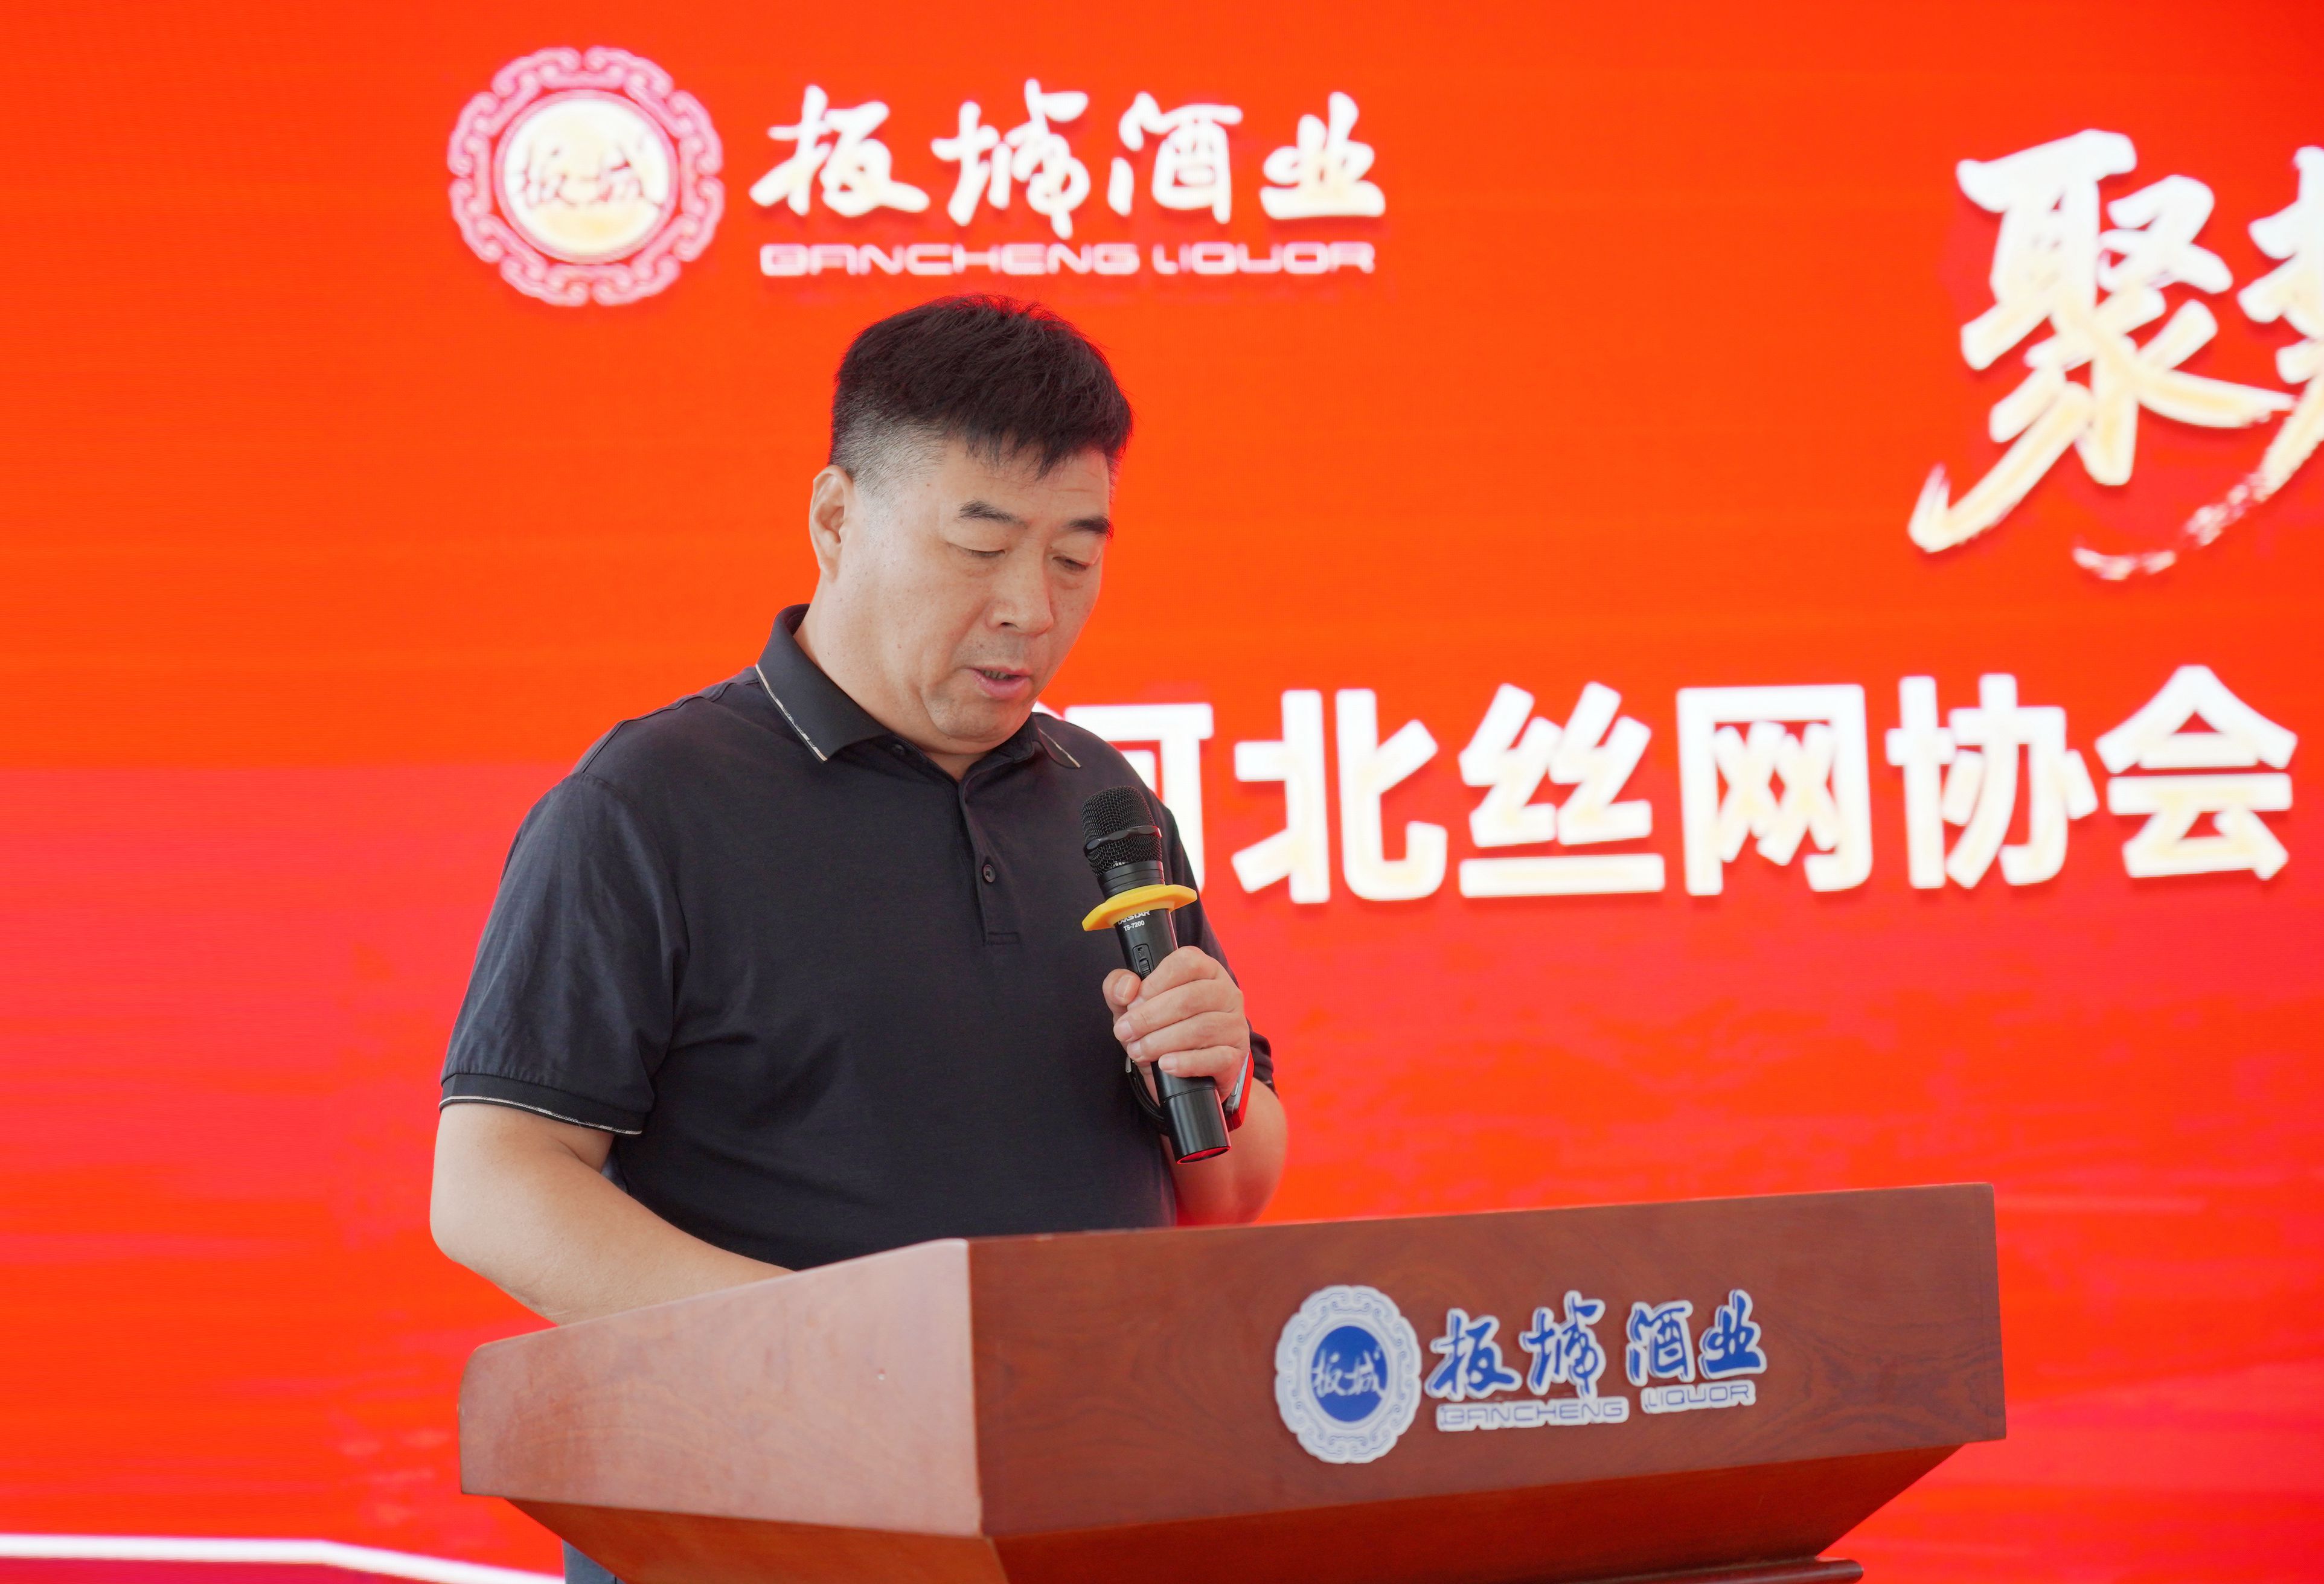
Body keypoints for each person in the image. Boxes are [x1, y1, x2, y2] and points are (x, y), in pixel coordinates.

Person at [429, 296, 1286, 1580]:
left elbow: (1225, 1187)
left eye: (1073, 558)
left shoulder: (1107, 800)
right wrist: (837, 1343)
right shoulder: (649, 804)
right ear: (835, 519)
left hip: (1085, 1497)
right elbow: (493, 1186)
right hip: (762, 1516)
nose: (1028, 608)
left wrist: (1218, 1075)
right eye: (979, 547)